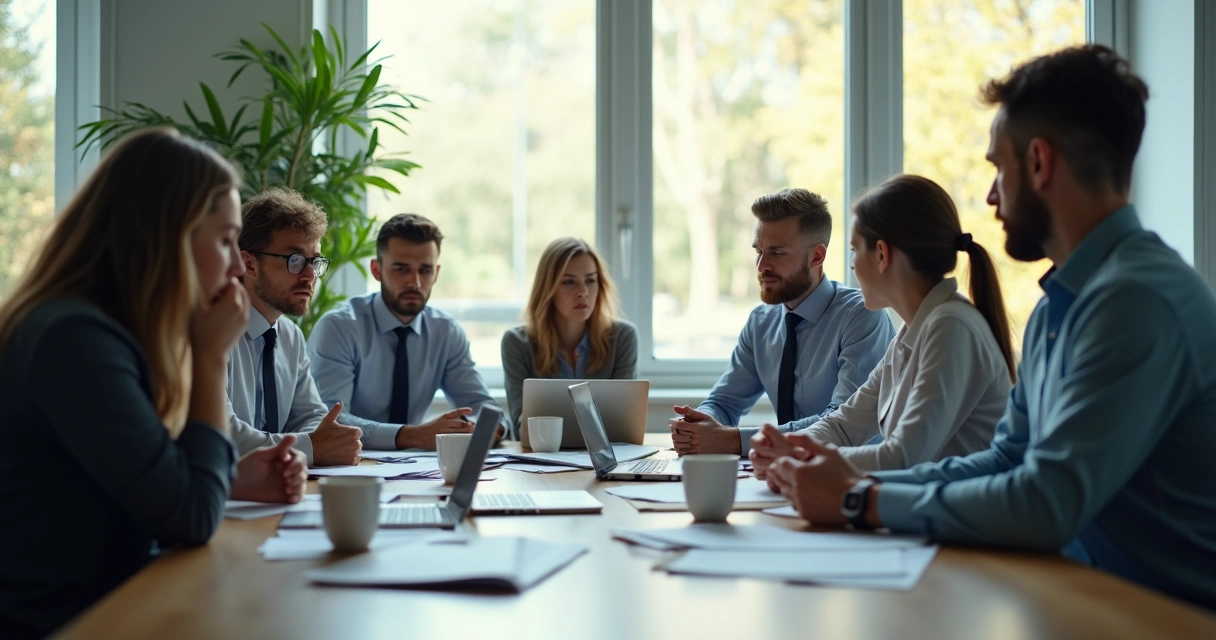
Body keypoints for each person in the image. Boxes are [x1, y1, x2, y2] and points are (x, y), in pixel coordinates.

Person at [765, 45, 1216, 610]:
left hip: (1163, 614)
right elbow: (1008, 458)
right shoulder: (1062, 303)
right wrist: (856, 487)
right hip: (1084, 592)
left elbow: (1047, 502)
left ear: (1039, 163)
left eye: (997, 169)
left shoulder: (1135, 301)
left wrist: (861, 500)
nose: (990, 195)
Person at [0, 128, 307, 639]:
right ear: (169, 234)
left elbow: (121, 484)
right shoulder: (75, 340)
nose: (237, 266)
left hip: (114, 601)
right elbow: (189, 519)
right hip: (65, 621)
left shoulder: (109, 330)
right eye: (227, 240)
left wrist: (232, 478)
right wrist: (209, 358)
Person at [749, 174, 1015, 476]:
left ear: (882, 254)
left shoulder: (950, 327)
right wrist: (787, 446)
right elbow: (844, 426)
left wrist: (800, 459)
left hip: (963, 518)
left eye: (854, 250)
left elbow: (903, 458)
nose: (851, 265)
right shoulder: (912, 333)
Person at [669, 188, 894, 456]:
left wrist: (730, 441)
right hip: (783, 473)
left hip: (854, 477)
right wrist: (698, 425)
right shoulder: (760, 322)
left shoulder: (862, 316)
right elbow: (724, 403)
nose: (761, 265)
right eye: (759, 251)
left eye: (776, 253)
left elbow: (843, 424)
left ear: (817, 257)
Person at [309, 214, 509, 450]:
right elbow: (331, 420)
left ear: (436, 272)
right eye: (401, 269)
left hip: (417, 470)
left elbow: (486, 410)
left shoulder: (445, 331)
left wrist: (477, 427)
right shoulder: (340, 328)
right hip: (350, 466)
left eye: (425, 270)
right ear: (377, 270)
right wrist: (412, 435)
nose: (414, 282)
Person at [226, 187, 364, 467]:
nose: (310, 275)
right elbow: (224, 437)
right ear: (248, 264)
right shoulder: (212, 332)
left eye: (315, 262)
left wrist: (330, 438)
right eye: (295, 260)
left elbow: (309, 416)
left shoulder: (290, 336)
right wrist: (312, 448)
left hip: (279, 487)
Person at [501, 237, 637, 428]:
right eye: (568, 282)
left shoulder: (623, 337)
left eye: (590, 280)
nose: (583, 291)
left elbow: (626, 422)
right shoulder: (517, 343)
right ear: (547, 288)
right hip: (543, 455)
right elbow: (520, 427)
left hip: (608, 456)